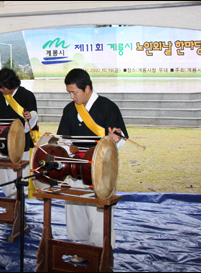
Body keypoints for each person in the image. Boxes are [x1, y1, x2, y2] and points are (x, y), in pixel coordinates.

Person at [57, 68, 128, 263]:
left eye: (75, 92)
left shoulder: (107, 107)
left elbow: (121, 139)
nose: (72, 97)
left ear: (87, 88)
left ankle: (101, 250)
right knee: (75, 207)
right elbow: (63, 139)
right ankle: (80, 247)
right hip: (75, 169)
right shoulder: (70, 109)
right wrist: (66, 147)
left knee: (97, 211)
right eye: (69, 93)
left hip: (100, 169)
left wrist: (115, 139)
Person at [0, 68, 38, 199]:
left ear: (12, 85)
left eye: (4, 87)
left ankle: (19, 203)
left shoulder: (27, 95)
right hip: (3, 141)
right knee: (6, 174)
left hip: (21, 141)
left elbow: (33, 118)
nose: (1, 90)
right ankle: (9, 200)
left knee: (20, 173)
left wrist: (30, 116)